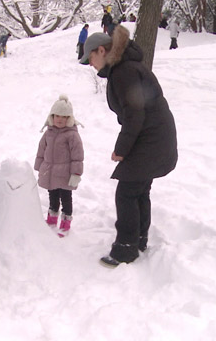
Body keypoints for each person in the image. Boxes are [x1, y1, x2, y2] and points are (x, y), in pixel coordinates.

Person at [79, 26, 178, 268]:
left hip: (151, 138)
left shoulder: (123, 71)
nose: (90, 64)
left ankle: (125, 249)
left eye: (90, 57)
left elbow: (135, 114)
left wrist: (121, 149)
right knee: (138, 189)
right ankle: (138, 240)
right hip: (154, 136)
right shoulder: (124, 68)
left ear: (101, 50)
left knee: (127, 192)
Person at [34, 95, 84, 238]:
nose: (60, 119)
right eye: (57, 116)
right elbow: (41, 149)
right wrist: (39, 166)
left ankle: (65, 223)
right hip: (50, 172)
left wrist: (76, 174)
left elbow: (77, 156)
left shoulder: (72, 135)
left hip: (65, 174)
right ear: (52, 116)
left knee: (66, 198)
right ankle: (51, 219)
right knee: (53, 196)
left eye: (64, 117)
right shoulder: (48, 132)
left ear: (69, 118)